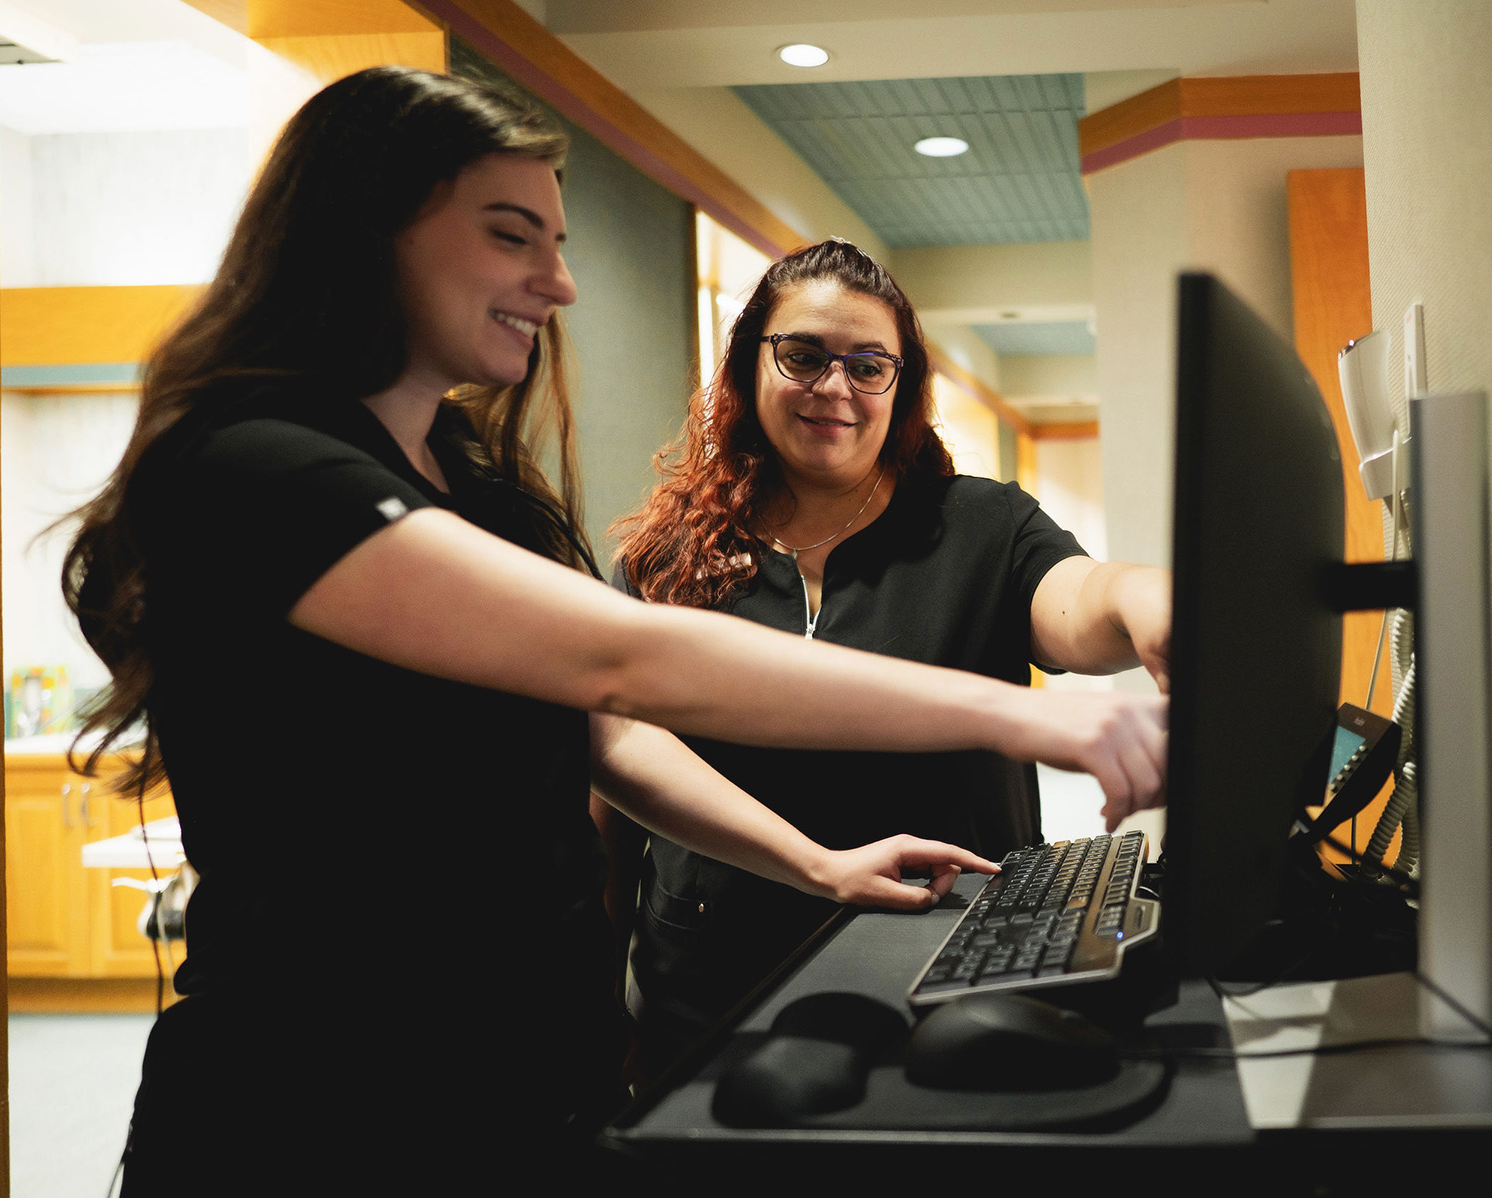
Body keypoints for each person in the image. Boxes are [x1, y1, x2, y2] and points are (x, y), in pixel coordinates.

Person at [63, 68, 1167, 1190]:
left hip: (524, 1087)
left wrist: (816, 865)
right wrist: (1031, 716)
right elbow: (625, 660)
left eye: (558, 238)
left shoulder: (472, 485)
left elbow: (603, 724)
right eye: (511, 237)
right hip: (320, 1106)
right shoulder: (258, 467)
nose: (560, 282)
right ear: (367, 232)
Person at [607, 239, 1173, 1076]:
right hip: (711, 993)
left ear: (900, 386)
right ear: (747, 365)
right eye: (803, 356)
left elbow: (1079, 602)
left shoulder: (980, 527)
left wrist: (1146, 599)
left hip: (951, 981)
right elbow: (613, 777)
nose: (835, 387)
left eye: (870, 366)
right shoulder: (663, 557)